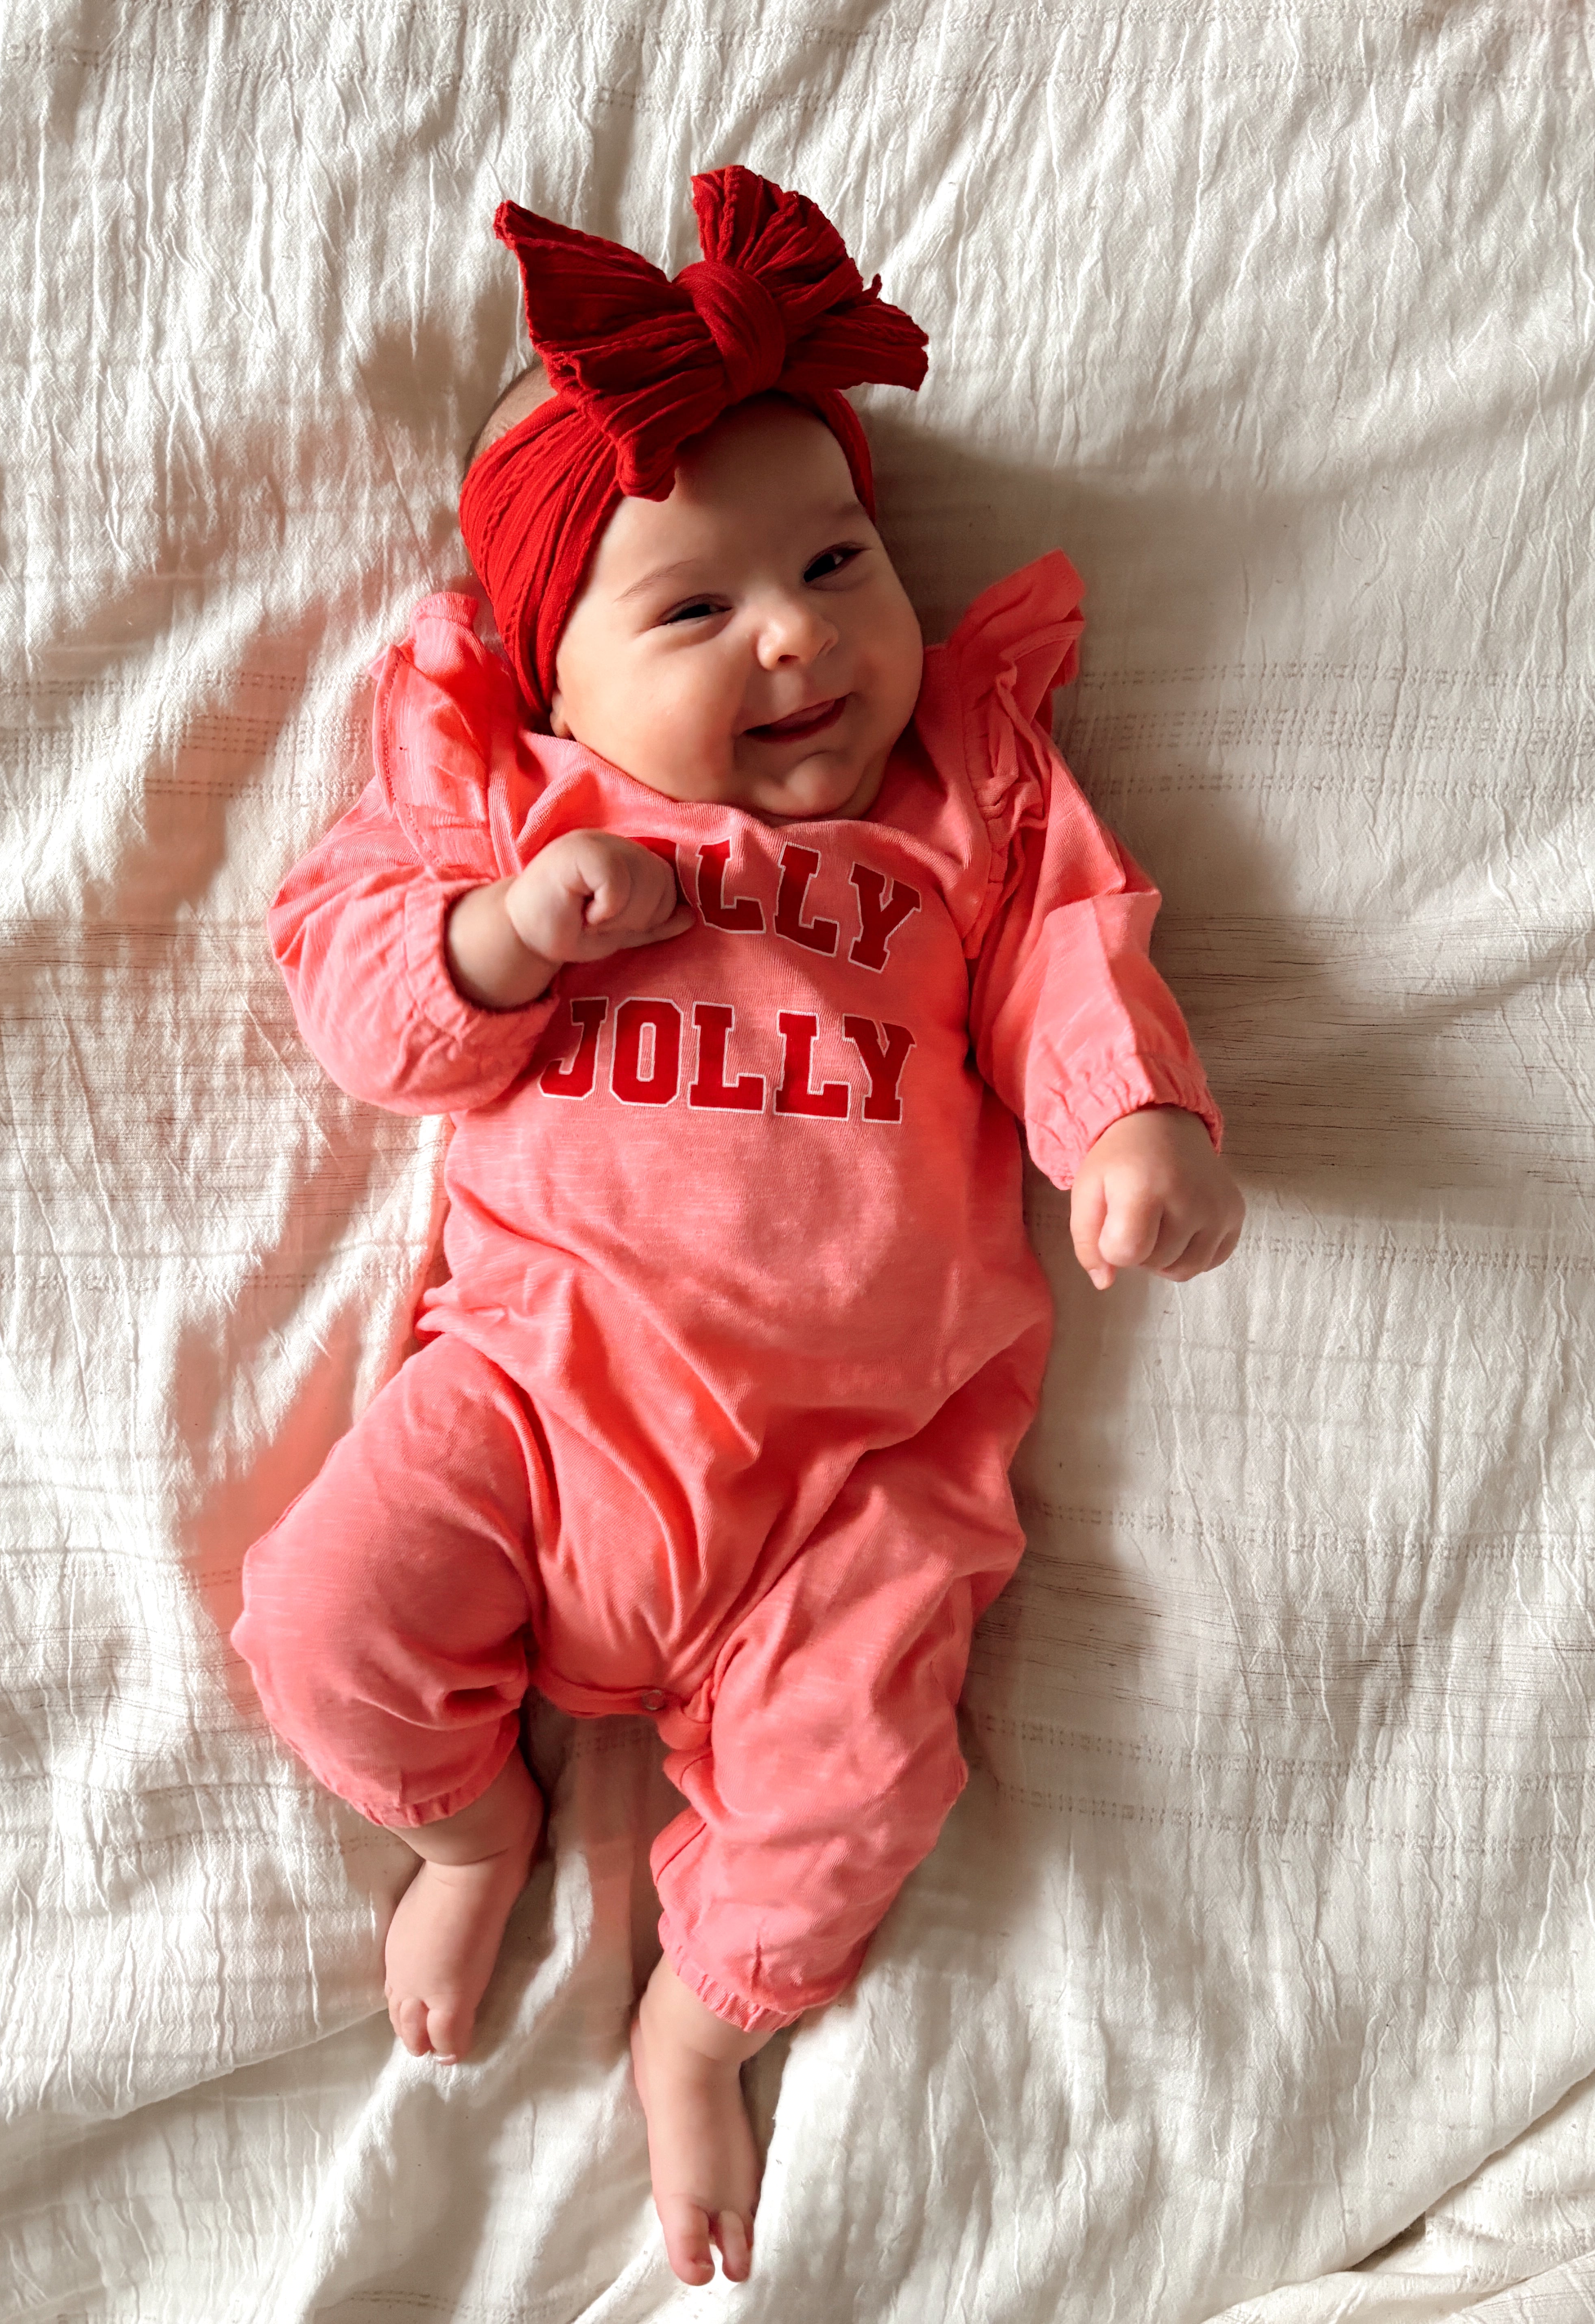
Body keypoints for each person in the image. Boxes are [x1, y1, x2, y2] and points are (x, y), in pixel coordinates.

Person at [232, 165, 1244, 2289]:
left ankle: (699, 2028)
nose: (793, 635)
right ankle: (465, 1822)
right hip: (533, 1405)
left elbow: (1071, 958)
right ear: (554, 674)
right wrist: (501, 939)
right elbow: (355, 984)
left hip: (854, 1484)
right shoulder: (521, 805)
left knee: (864, 1780)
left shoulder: (951, 811)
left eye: (833, 564)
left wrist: (1131, 1124)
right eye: (690, 612)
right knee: (320, 1616)